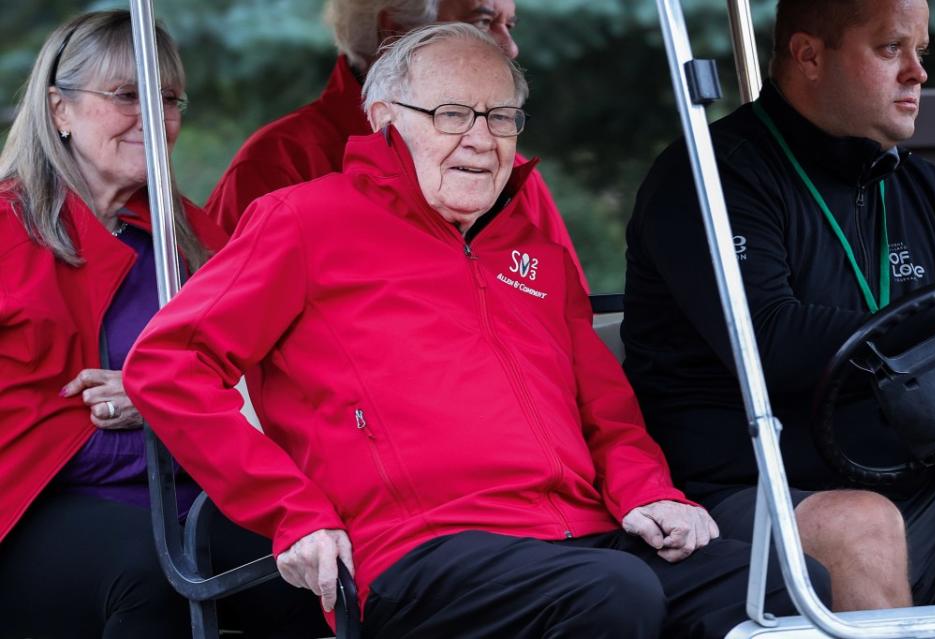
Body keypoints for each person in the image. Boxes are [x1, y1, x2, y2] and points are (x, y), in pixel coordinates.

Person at [125, 23, 830, 638]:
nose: (481, 139)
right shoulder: (303, 220)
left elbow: (604, 410)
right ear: (381, 118)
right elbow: (168, 364)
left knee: (783, 583)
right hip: (419, 548)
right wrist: (293, 510)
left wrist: (647, 489)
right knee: (614, 595)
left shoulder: (534, 250)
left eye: (501, 117)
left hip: (580, 532)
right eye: (451, 113)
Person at [0, 11, 327, 638]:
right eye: (128, 95)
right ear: (59, 109)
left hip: (193, 498)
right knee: (150, 579)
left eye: (168, 99)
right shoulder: (8, 231)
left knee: (328, 574)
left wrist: (162, 392)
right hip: (39, 508)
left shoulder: (193, 238)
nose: (156, 116)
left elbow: (276, 381)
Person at [624, 0, 935, 612]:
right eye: (890, 49)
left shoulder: (929, 192)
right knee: (861, 525)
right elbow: (769, 341)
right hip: (736, 492)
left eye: (921, 52)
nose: (917, 72)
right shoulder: (711, 175)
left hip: (914, 473)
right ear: (808, 55)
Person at [204, 0, 587, 289]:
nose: (510, 47)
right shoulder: (281, 164)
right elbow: (211, 340)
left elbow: (571, 322)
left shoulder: (508, 170)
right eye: (483, 22)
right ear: (395, 33)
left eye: (510, 25)